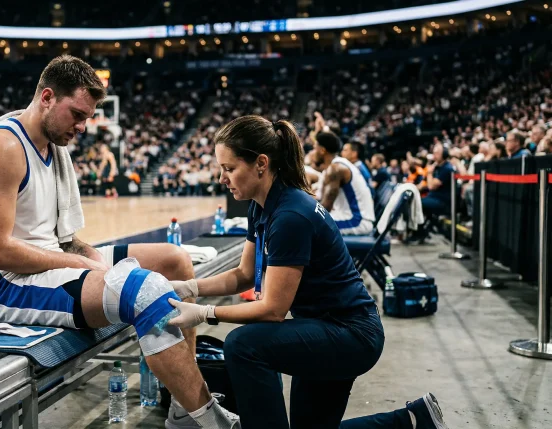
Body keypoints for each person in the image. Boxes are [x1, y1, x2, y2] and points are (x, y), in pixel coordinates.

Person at [0, 55, 238, 429]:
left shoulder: (51, 146)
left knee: (175, 260)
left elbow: (61, 239)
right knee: (146, 291)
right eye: (77, 114)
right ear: (47, 97)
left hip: (48, 260)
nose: (83, 127)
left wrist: (86, 255)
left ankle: (179, 404)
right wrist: (79, 264)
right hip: (4, 284)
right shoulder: (2, 147)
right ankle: (203, 418)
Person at [167, 115, 448, 429]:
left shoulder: (290, 215)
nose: (222, 178)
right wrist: (189, 286)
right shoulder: (261, 205)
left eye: (229, 169)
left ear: (261, 163)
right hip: (326, 327)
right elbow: (245, 273)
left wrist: (206, 313)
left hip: (350, 334)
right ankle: (412, 420)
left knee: (243, 345)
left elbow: (273, 310)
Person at [312, 131, 375, 236]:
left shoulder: (336, 169)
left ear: (322, 150)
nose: (313, 152)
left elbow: (325, 208)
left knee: (308, 227)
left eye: (315, 148)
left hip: (357, 221)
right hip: (350, 217)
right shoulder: (335, 166)